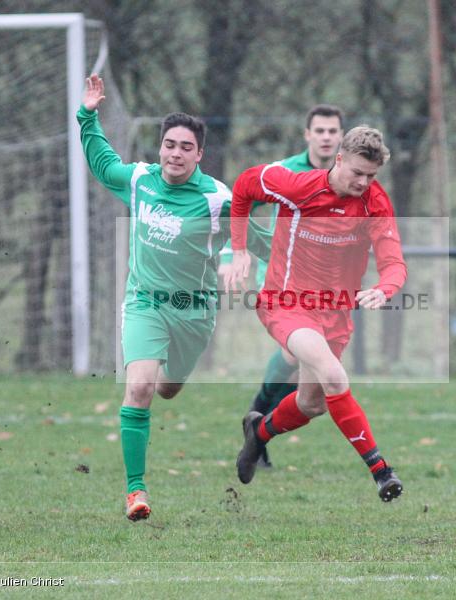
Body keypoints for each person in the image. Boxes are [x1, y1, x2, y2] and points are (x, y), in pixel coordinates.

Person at [78, 75, 270, 522]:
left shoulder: (216, 199)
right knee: (140, 387)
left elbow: (259, 242)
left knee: (167, 388)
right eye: (169, 144)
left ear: (199, 154)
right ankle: (136, 491)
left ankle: (170, 380)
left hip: (194, 312)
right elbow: (104, 163)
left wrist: (242, 258)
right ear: (160, 147)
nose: (175, 153)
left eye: (186, 147)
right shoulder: (141, 180)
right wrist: (87, 116)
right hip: (145, 302)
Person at [228, 125, 407, 502]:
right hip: (287, 303)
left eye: (371, 176)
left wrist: (384, 288)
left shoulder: (375, 202)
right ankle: (381, 471)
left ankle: (258, 433)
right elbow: (244, 186)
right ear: (338, 159)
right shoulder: (296, 187)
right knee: (334, 376)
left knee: (312, 404)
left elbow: (395, 264)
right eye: (357, 172)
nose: (363, 182)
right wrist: (240, 248)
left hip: (335, 314)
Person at [221, 104, 345, 469]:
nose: (325, 137)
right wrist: (234, 252)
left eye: (332, 131)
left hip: (325, 287)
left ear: (340, 136)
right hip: (281, 282)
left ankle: (256, 426)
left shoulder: (349, 175)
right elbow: (239, 202)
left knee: (310, 377)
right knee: (296, 356)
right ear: (307, 135)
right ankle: (258, 420)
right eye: (319, 130)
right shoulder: (285, 172)